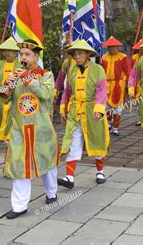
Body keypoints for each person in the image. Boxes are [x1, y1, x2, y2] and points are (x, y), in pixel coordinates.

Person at [0, 39, 58, 219]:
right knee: (19, 165)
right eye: (21, 54)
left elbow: (47, 94)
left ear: (36, 57)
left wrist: (27, 78)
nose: (23, 58)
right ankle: (19, 206)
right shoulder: (14, 75)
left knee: (46, 162)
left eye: (27, 55)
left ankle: (51, 193)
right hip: (19, 127)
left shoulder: (46, 74)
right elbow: (4, 99)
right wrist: (7, 86)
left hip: (41, 127)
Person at [58, 39, 110, 187]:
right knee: (73, 141)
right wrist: (63, 108)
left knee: (97, 139)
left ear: (88, 55)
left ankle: (100, 171)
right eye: (75, 53)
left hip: (92, 110)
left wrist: (99, 109)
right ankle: (69, 177)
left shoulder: (97, 69)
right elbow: (67, 91)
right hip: (75, 111)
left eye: (80, 53)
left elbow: (101, 90)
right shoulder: (72, 70)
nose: (77, 56)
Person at [101, 36, 131, 136]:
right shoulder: (104, 57)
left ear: (117, 47)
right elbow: (101, 71)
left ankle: (116, 127)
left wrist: (129, 84)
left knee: (118, 107)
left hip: (118, 84)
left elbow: (128, 71)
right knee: (106, 106)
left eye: (113, 47)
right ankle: (109, 122)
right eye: (109, 47)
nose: (111, 49)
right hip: (106, 84)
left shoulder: (123, 57)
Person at [131, 39, 143, 126]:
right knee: (137, 101)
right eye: (139, 49)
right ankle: (141, 118)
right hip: (136, 82)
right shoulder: (134, 57)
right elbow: (131, 71)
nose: (140, 50)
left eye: (142, 48)